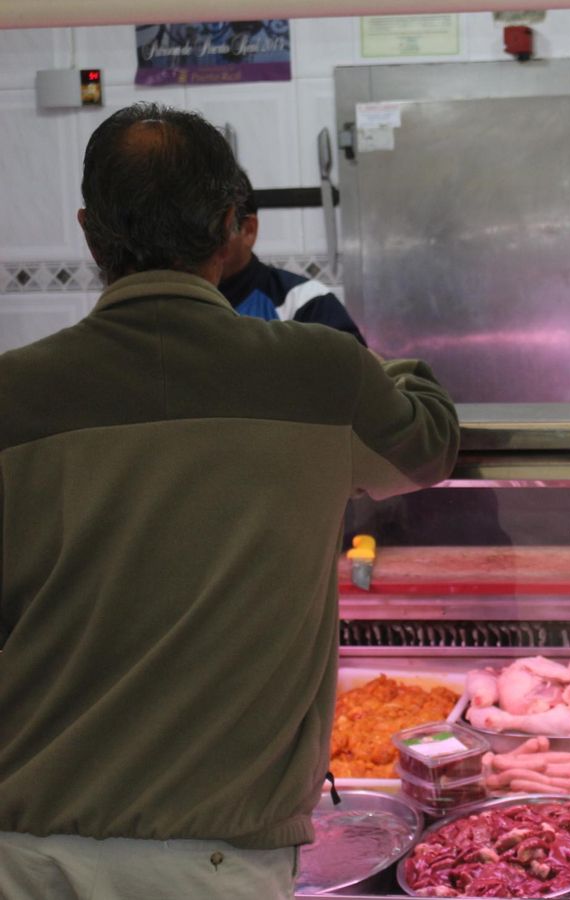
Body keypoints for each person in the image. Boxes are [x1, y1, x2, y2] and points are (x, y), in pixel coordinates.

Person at [0, 103, 460, 897]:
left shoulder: (12, 391)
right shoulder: (319, 370)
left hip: (20, 847)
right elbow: (427, 446)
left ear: (88, 229)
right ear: (228, 224)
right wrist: (392, 369)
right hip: (209, 859)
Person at [218, 169, 366, 344]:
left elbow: (357, 368)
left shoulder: (306, 303)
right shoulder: (180, 308)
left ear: (249, 230)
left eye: (213, 229)